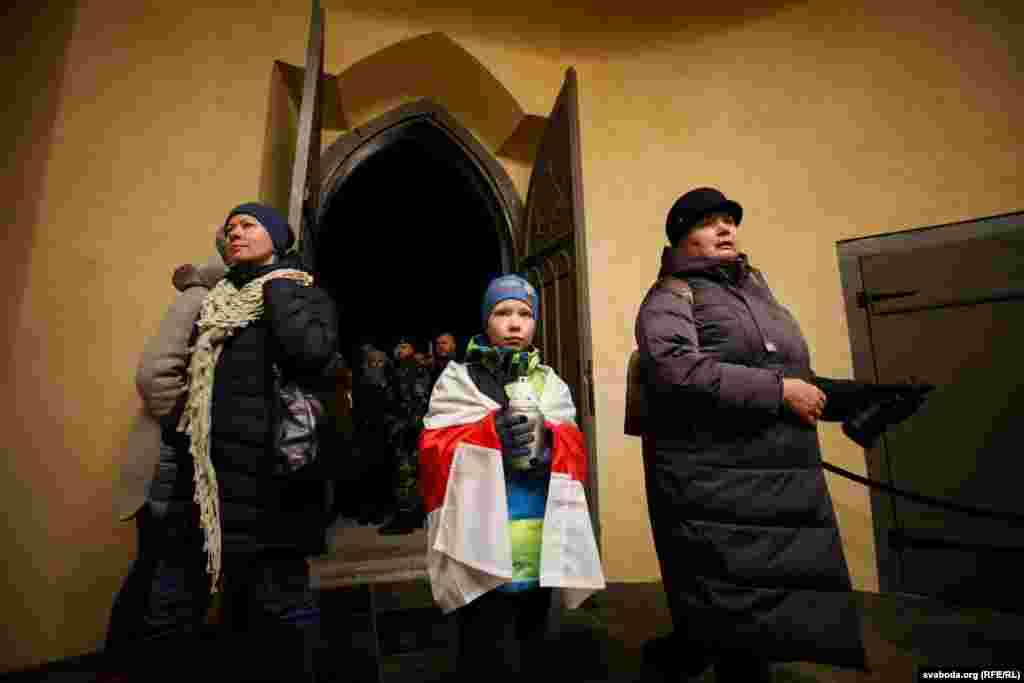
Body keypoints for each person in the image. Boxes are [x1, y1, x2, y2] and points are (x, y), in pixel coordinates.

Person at [635, 187, 931, 681]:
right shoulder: (671, 295)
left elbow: (789, 377)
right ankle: (688, 655)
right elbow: (675, 371)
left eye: (729, 220)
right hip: (716, 486)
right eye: (708, 222)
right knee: (738, 622)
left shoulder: (756, 291)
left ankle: (689, 653)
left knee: (756, 622)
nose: (725, 228)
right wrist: (780, 391)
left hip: (775, 481)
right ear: (681, 237)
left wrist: (860, 397)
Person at [171, 202, 339, 681]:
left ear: (277, 238)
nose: (236, 233)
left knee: (284, 600)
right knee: (237, 607)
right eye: (230, 228)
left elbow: (311, 352)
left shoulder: (300, 290)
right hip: (222, 475)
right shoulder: (219, 301)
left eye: (248, 225)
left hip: (278, 476)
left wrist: (277, 286)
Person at [418, 274, 605, 680]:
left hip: (537, 545)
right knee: (483, 650)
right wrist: (489, 435)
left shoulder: (550, 383)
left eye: (525, 314)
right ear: (486, 321)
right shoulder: (458, 381)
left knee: (535, 646)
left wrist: (551, 448)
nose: (515, 323)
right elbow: (433, 454)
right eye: (503, 313)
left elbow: (574, 450)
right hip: (478, 545)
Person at [102, 235, 228, 681]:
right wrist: (190, 421)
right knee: (169, 578)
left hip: (180, 461)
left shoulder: (226, 300)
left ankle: (121, 668)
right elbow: (155, 375)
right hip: (171, 460)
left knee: (156, 572)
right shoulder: (201, 296)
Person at [379, 336, 432, 534]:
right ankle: (412, 515)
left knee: (406, 474)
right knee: (405, 473)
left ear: (412, 349)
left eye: (404, 346)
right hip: (401, 428)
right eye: (398, 346)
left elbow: (419, 400)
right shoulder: (398, 369)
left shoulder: (415, 370)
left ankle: (406, 518)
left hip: (409, 430)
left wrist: (410, 426)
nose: (399, 350)